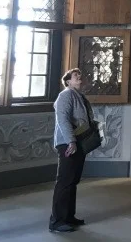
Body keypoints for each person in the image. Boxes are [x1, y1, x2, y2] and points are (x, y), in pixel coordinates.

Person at [49, 68, 94, 233]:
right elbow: (63, 119)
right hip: (68, 144)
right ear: (68, 81)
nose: (80, 77)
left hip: (78, 142)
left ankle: (68, 216)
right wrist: (70, 141)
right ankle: (57, 221)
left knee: (72, 181)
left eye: (81, 75)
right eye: (76, 76)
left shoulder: (79, 96)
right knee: (65, 181)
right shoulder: (66, 95)